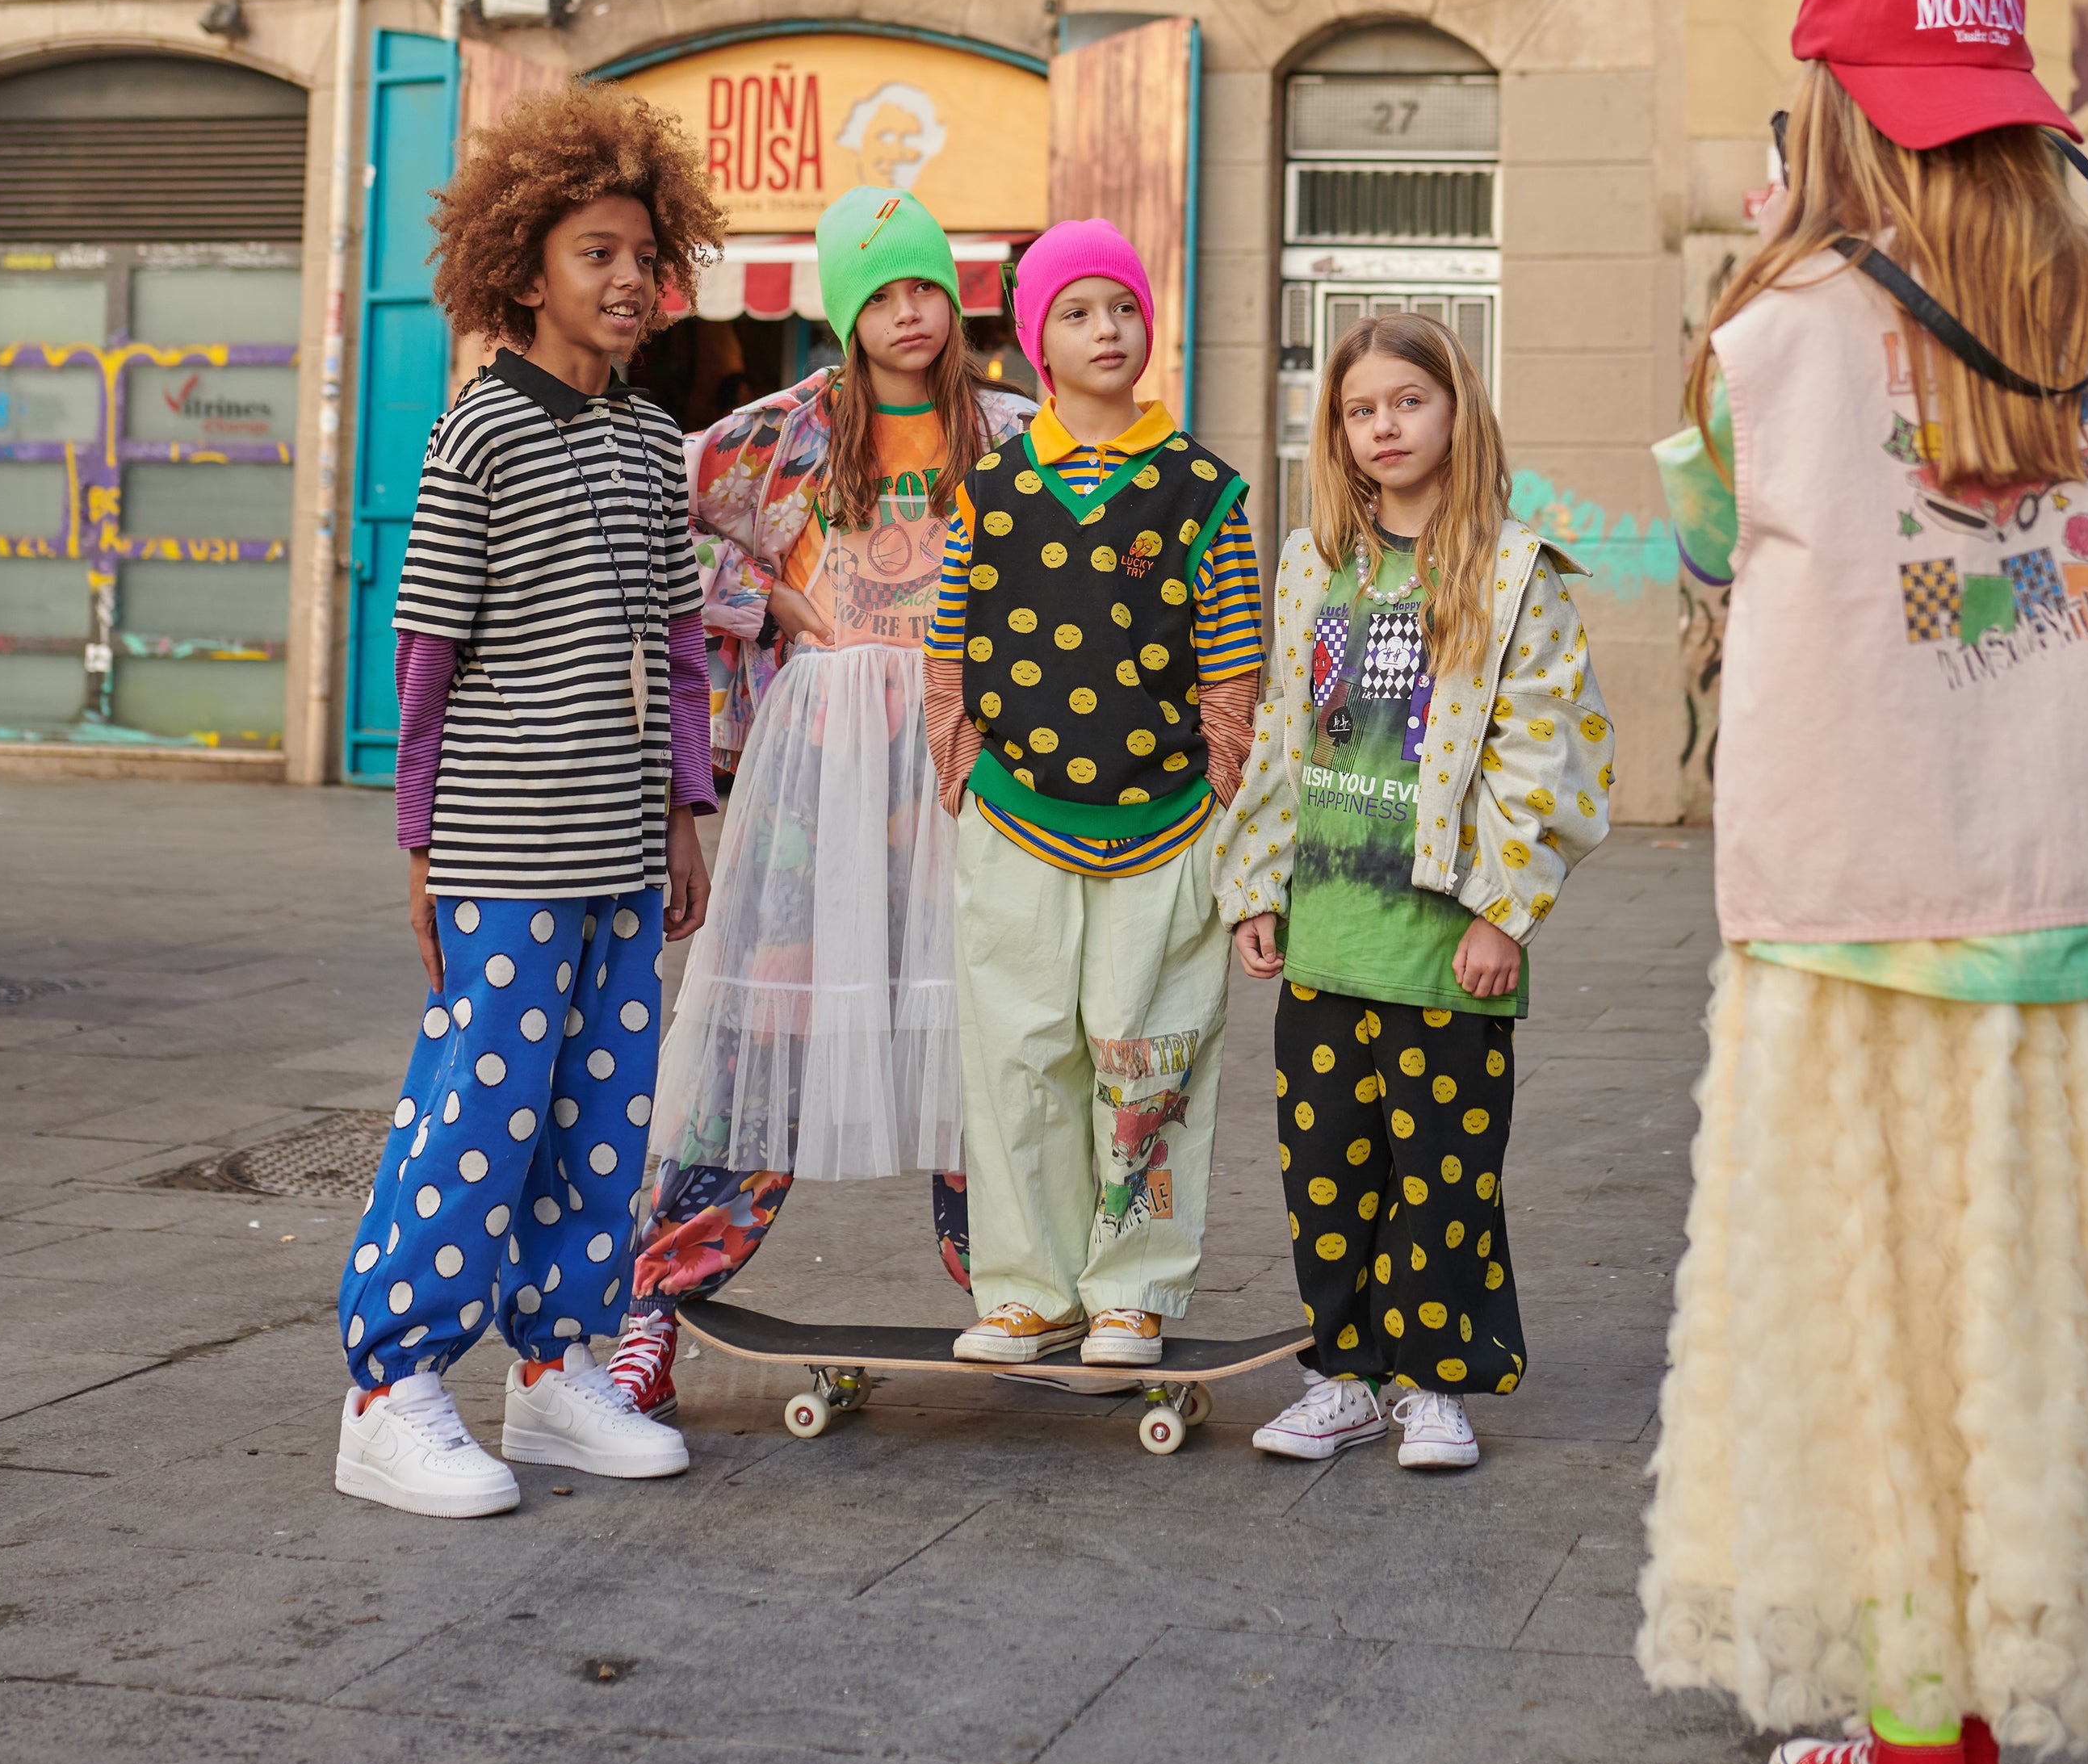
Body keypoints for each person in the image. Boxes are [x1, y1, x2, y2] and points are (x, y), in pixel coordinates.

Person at [1639, 0, 2088, 1764]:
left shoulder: (1774, 331)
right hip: (2062, 913)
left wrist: (1766, 247)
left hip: (1855, 911)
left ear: (1836, 107)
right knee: (2009, 1331)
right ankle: (1949, 1747)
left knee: (1870, 1343)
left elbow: (1699, 526)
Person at [334, 85, 722, 1521]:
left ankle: (555, 1370)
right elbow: (426, 655)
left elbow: (680, 646)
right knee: (476, 1111)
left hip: (624, 846)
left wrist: (684, 813)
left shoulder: (646, 436)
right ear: (525, 271)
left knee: (600, 1114)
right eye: (594, 255)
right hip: (505, 841)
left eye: (641, 255)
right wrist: (421, 850)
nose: (627, 281)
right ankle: (389, 1388)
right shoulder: (478, 433)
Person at [614, 190, 1033, 1414]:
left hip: (968, 775)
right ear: (846, 313)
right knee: (764, 1032)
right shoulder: (779, 435)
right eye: (882, 294)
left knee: (988, 1037)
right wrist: (759, 597)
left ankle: (1017, 1288)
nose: (909, 314)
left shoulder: (1016, 433)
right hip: (817, 781)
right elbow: (649, 522)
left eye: (926, 289)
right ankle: (651, 1307)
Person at [1216, 315, 1612, 1473]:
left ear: (1456, 411)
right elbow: (1285, 740)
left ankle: (1436, 1386)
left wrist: (1504, 912)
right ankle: (1341, 1373)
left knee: (1446, 1176)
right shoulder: (1315, 568)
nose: (1383, 426)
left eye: (1407, 402)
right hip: (1329, 942)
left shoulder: (1511, 570)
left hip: (1446, 948)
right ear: (1335, 432)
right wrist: (1259, 887)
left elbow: (1549, 749)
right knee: (1328, 1171)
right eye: (1358, 409)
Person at [924, 219, 1264, 1365]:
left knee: (1148, 1056)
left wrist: (1224, 786)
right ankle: (1027, 1289)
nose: (1106, 329)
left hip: (1165, 823)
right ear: (1034, 345)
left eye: (1121, 307)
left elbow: (1233, 659)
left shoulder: (1203, 493)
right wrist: (958, 768)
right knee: (1015, 1053)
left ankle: (1134, 1290)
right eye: (1076, 311)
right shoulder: (990, 493)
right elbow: (950, 641)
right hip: (1014, 814)